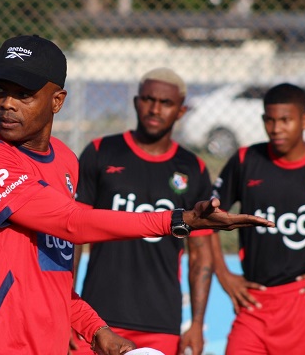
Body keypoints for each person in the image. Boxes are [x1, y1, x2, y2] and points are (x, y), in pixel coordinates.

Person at [0, 34, 273, 355]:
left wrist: (96, 329)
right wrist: (180, 219)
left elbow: (51, 276)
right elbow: (71, 223)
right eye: (1, 90)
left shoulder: (64, 160)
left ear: (57, 101)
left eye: (24, 94)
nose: (7, 103)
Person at [72, 68, 213, 355]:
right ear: (137, 102)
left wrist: (197, 323)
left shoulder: (193, 168)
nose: (155, 108)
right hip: (97, 317)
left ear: (181, 111)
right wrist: (65, 309)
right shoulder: (100, 152)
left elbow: (200, 252)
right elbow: (71, 234)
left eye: (166, 103)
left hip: (160, 321)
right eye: (148, 99)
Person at [210, 82, 305, 354]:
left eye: (286, 120)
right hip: (254, 305)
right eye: (270, 120)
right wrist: (224, 274)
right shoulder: (246, 160)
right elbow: (205, 221)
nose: (276, 129)